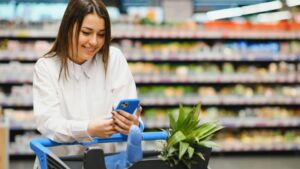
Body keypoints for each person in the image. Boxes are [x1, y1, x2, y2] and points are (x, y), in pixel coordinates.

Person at [33, 0, 143, 157]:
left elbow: (128, 110)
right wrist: (88, 128)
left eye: (101, 34)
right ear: (68, 28)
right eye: (86, 32)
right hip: (62, 163)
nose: (94, 42)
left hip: (105, 162)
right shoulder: (46, 67)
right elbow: (49, 123)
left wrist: (133, 124)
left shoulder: (114, 59)